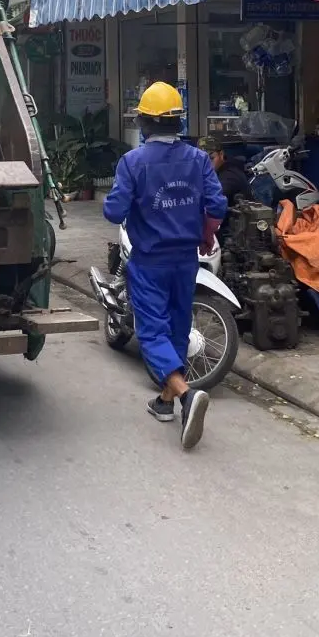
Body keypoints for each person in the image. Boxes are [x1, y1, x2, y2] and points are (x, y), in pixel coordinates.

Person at [103, 82, 226, 451]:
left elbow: (114, 211)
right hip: (187, 260)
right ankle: (165, 402)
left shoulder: (133, 162)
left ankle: (186, 396)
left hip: (150, 260)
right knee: (177, 324)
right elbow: (217, 206)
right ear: (178, 122)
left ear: (142, 122)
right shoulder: (199, 159)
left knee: (153, 331)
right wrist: (205, 234)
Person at [199, 136, 251, 206]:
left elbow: (213, 199)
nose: (206, 163)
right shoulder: (212, 172)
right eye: (202, 159)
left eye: (211, 158)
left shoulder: (230, 175)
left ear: (221, 155)